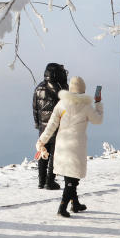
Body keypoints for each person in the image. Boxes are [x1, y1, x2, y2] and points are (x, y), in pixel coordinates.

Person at [36, 76, 104, 217]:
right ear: (82, 89)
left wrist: (42, 141)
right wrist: (98, 103)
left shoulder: (61, 104)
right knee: (72, 180)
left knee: (70, 176)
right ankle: (62, 208)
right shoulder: (86, 106)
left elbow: (51, 126)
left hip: (62, 144)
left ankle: (75, 204)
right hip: (76, 145)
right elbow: (98, 120)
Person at [33, 63, 68, 190]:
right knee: (55, 153)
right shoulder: (61, 89)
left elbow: (35, 108)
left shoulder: (39, 88)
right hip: (57, 126)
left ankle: (41, 181)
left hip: (43, 127)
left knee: (43, 151)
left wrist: (38, 124)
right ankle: (50, 181)